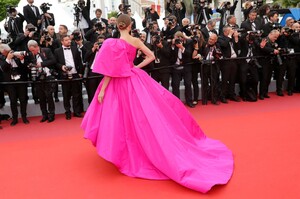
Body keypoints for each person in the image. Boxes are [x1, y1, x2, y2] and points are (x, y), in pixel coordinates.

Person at [81, 14, 233, 193]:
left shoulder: (110, 43)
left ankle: (127, 151)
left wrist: (104, 89)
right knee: (142, 117)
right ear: (130, 26)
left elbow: (110, 71)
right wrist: (134, 68)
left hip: (117, 83)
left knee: (120, 116)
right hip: (134, 80)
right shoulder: (136, 40)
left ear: (119, 26)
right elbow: (151, 56)